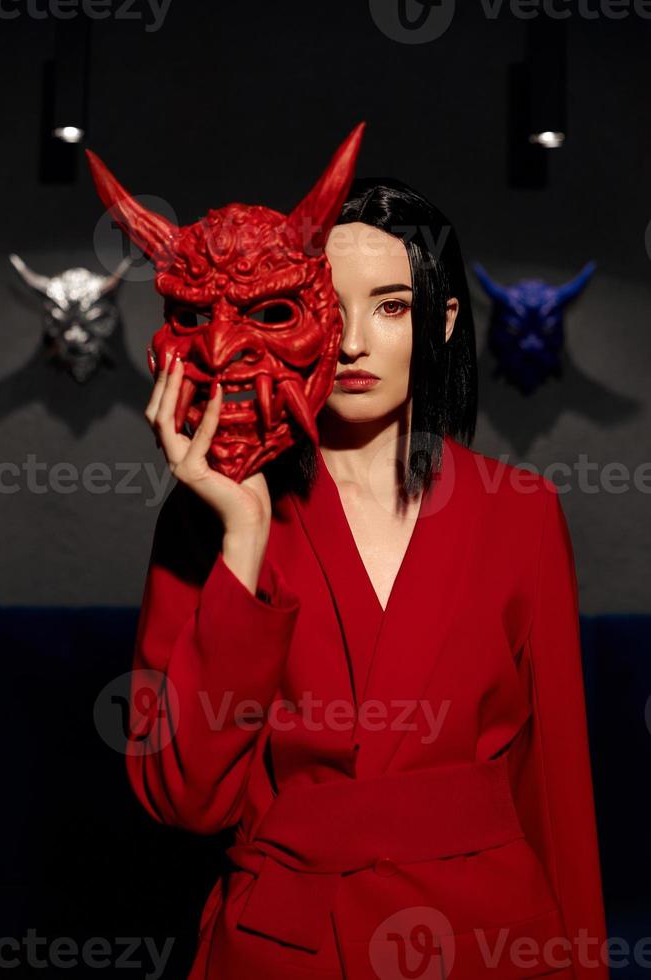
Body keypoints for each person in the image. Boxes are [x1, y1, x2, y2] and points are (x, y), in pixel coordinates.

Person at [128, 178, 611, 980]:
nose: (353, 342)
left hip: (490, 940)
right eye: (330, 306)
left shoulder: (523, 512)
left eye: (392, 305)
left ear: (443, 320)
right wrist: (242, 532)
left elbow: (558, 792)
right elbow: (187, 800)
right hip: (285, 948)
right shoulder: (211, 515)